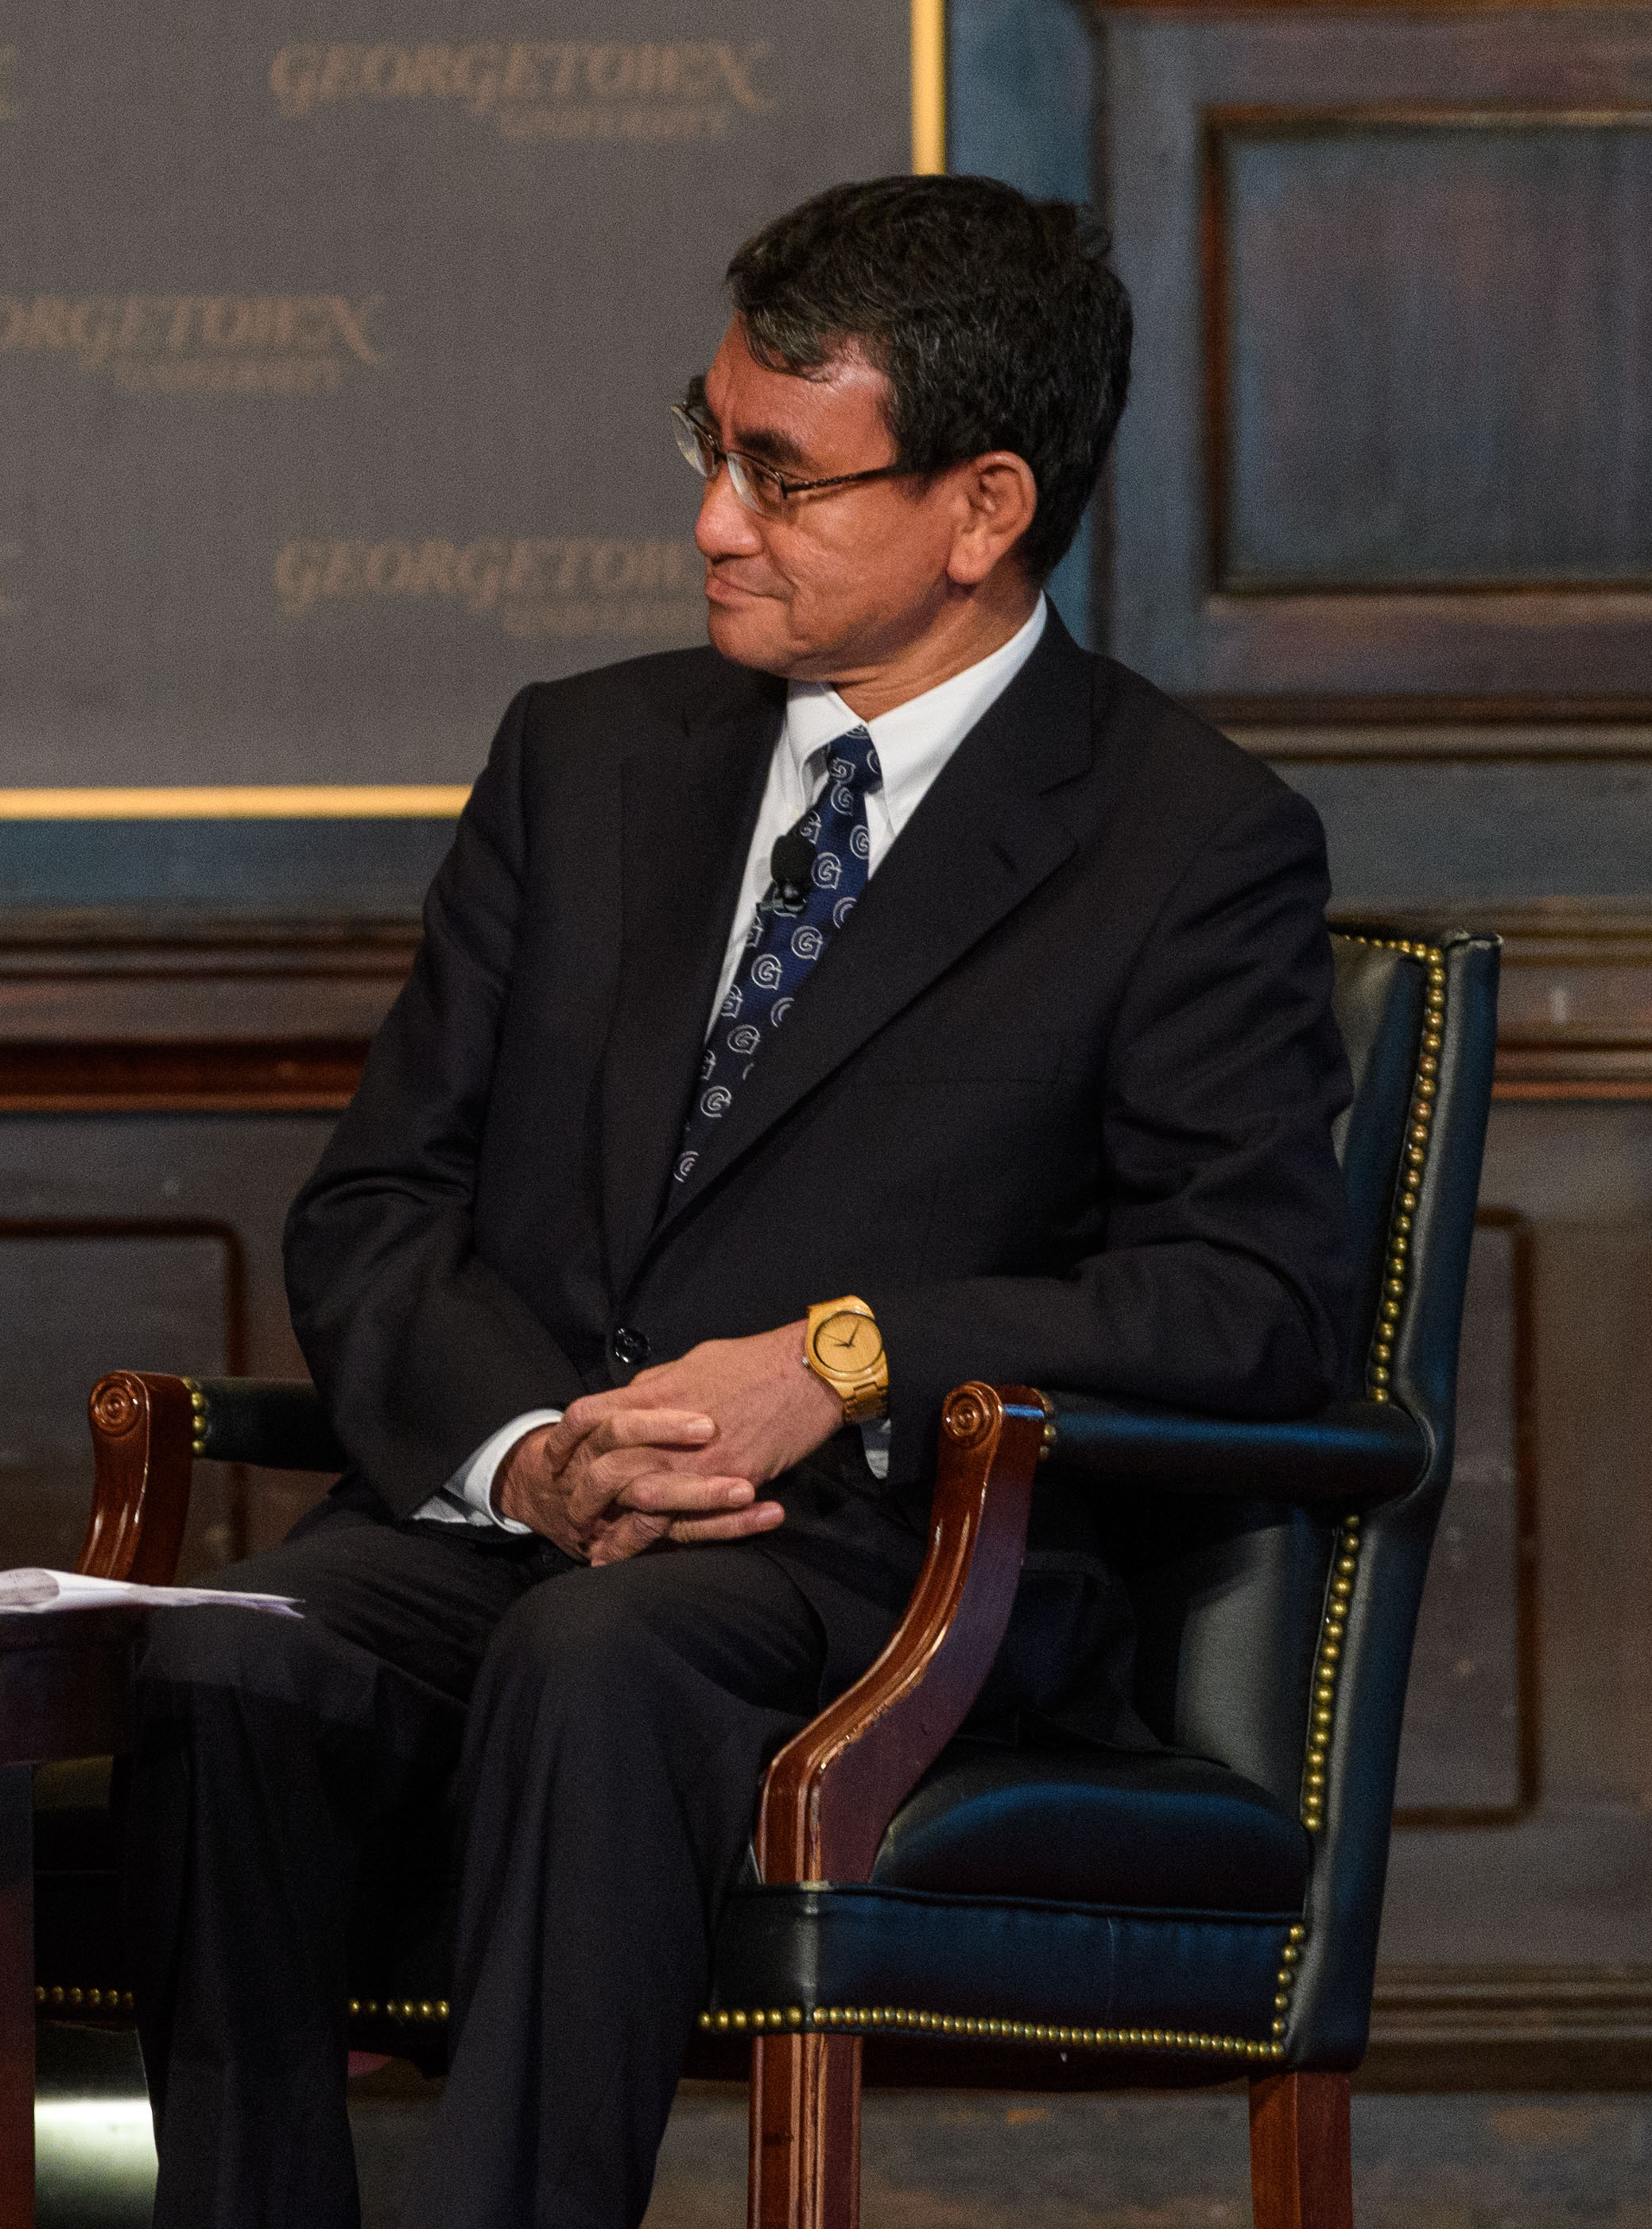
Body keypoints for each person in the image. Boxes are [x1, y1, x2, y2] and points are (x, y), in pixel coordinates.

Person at [115, 173, 1356, 2229]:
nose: (712, 521)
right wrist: (529, 1457)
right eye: (711, 448)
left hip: (893, 1566)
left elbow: (1254, 1298)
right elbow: (377, 1206)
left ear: (981, 509)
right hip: (536, 1512)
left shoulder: (1184, 840)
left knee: (601, 1666)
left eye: (785, 479)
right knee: (226, 1653)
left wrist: (847, 1359)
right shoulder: (583, 759)